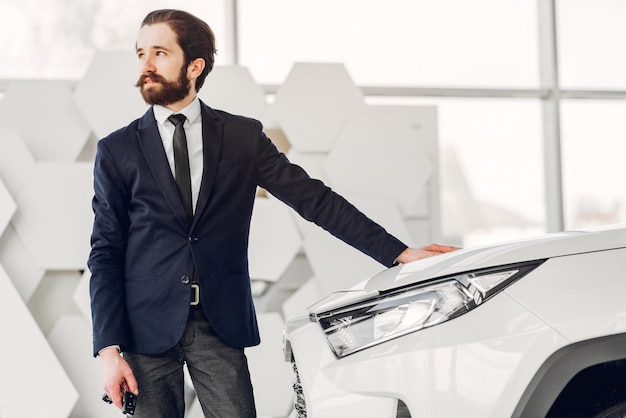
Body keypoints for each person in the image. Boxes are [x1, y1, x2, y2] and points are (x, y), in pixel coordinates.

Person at [88, 8, 458, 418]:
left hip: (219, 322)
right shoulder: (117, 150)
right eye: (141, 54)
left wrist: (399, 252)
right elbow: (105, 251)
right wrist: (108, 350)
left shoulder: (242, 137)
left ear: (195, 65)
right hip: (144, 329)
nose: (146, 66)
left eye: (159, 53)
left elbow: (313, 199)